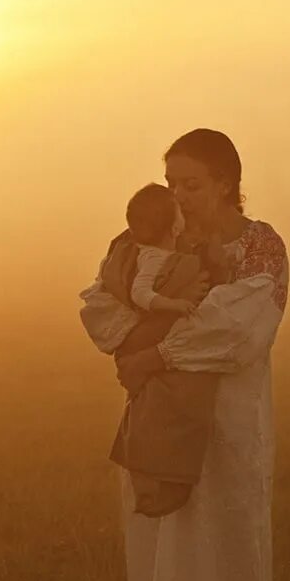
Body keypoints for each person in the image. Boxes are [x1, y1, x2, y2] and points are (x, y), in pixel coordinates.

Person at [78, 128, 289, 581]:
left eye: (191, 184)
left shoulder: (260, 247)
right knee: (160, 566)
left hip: (229, 435)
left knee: (225, 564)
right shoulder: (147, 238)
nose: (178, 196)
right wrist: (140, 346)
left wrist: (155, 353)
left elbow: (238, 332)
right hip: (157, 431)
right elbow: (98, 303)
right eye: (171, 183)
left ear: (227, 182)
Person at [96, 183, 215, 518]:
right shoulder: (150, 257)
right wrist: (177, 300)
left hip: (152, 336)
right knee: (157, 406)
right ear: (173, 224)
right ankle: (157, 482)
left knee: (158, 405)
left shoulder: (165, 251)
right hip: (146, 330)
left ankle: (159, 480)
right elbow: (141, 294)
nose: (180, 198)